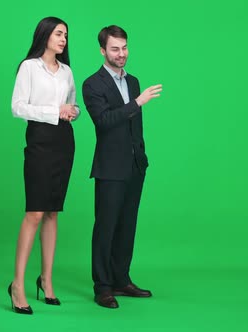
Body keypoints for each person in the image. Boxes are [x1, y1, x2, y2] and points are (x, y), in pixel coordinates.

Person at [82, 25, 162, 309]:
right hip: (109, 167)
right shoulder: (92, 84)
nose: (122, 54)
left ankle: (121, 279)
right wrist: (137, 103)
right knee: (106, 227)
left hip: (135, 165)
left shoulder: (134, 81)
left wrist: (141, 156)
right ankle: (103, 286)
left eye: (124, 47)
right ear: (103, 50)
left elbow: (134, 127)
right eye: (115, 49)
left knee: (127, 226)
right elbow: (103, 122)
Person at [8, 16, 79, 315]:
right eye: (59, 33)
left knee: (52, 212)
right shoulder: (29, 67)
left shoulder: (66, 71)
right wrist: (55, 110)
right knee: (35, 212)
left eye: (66, 35)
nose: (63, 39)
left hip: (64, 141)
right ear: (45, 35)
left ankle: (46, 280)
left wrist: (72, 111)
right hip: (39, 140)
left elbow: (73, 104)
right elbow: (17, 106)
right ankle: (18, 285)